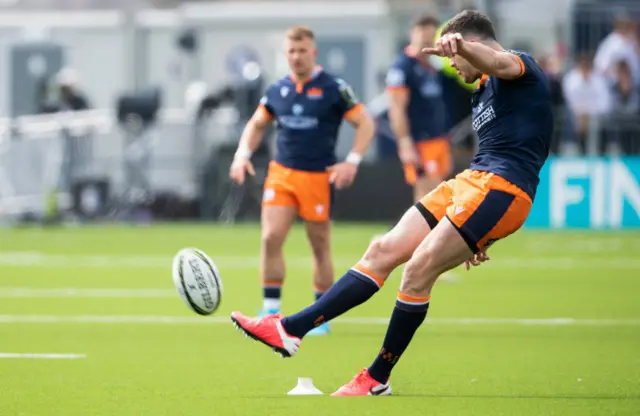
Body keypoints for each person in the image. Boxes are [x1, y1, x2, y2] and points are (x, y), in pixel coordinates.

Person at [230, 10, 553, 395]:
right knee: (383, 248)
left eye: (454, 56)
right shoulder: (483, 89)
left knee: (416, 271)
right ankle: (287, 330)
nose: (452, 65)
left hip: (502, 189)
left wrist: (464, 47)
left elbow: (500, 61)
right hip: (471, 183)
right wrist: (478, 233)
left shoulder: (519, 66)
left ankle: (376, 377)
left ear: (473, 43)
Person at [229, 25, 375, 336]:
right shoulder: (277, 89)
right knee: (270, 237)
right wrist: (242, 155)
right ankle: (270, 309)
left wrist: (352, 162)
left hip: (317, 177)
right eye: (291, 51)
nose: (296, 57)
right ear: (286, 55)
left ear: (314, 52)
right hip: (281, 174)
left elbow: (365, 123)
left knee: (319, 246)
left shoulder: (334, 88)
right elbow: (257, 125)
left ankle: (320, 315)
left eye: (302, 50)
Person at [386, 15, 451, 202]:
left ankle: (421, 231)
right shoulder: (402, 67)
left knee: (437, 192)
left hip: (438, 138)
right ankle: (417, 231)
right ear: (412, 33)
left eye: (431, 36)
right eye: (423, 34)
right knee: (429, 196)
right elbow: (396, 108)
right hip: (419, 141)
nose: (427, 40)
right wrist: (404, 142)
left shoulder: (432, 66)